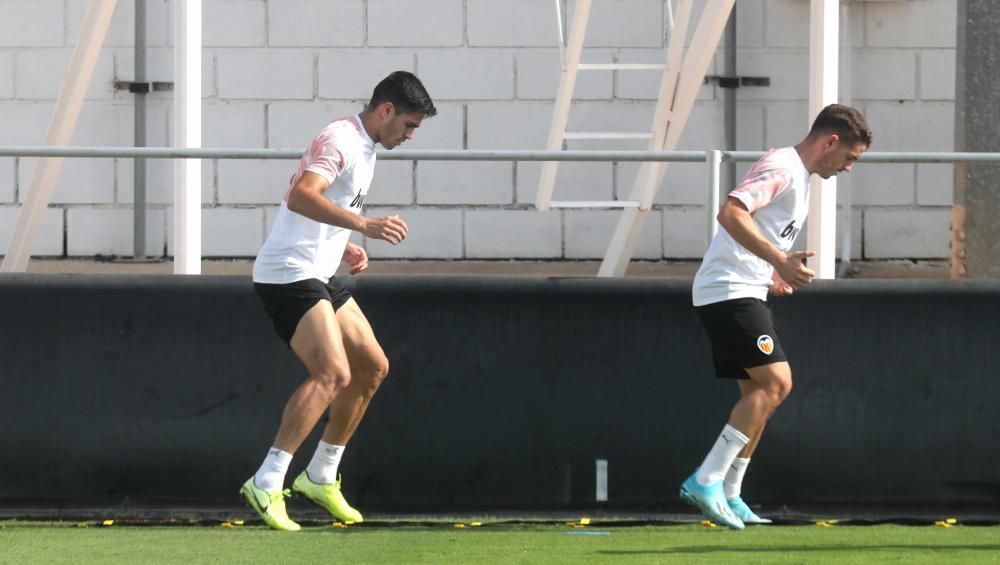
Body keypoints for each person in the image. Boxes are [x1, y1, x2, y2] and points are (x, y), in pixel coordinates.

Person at [241, 71, 436, 531]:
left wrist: (340, 241)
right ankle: (266, 482)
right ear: (386, 111)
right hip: (289, 273)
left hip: (320, 268)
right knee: (332, 373)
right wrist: (363, 226)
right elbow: (300, 195)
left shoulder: (365, 146)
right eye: (408, 126)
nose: (409, 136)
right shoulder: (341, 139)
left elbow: (316, 204)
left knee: (372, 367)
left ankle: (321, 475)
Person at [679, 104, 872, 529]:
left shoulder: (800, 178)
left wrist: (770, 274)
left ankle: (731, 493)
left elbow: (755, 233)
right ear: (831, 142)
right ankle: (706, 480)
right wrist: (780, 260)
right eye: (850, 158)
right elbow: (730, 213)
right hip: (726, 292)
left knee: (760, 398)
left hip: (744, 289)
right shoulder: (783, 165)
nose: (849, 168)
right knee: (777, 382)